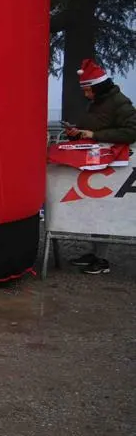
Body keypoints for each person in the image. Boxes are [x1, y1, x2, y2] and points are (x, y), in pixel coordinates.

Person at [64, 59, 136, 275]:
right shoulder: (100, 102)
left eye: (87, 90)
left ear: (97, 87)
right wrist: (78, 132)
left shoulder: (120, 102)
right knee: (95, 209)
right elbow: (97, 125)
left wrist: (94, 135)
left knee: (105, 209)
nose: (86, 95)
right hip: (99, 161)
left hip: (114, 163)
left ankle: (102, 258)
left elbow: (132, 131)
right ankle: (95, 253)